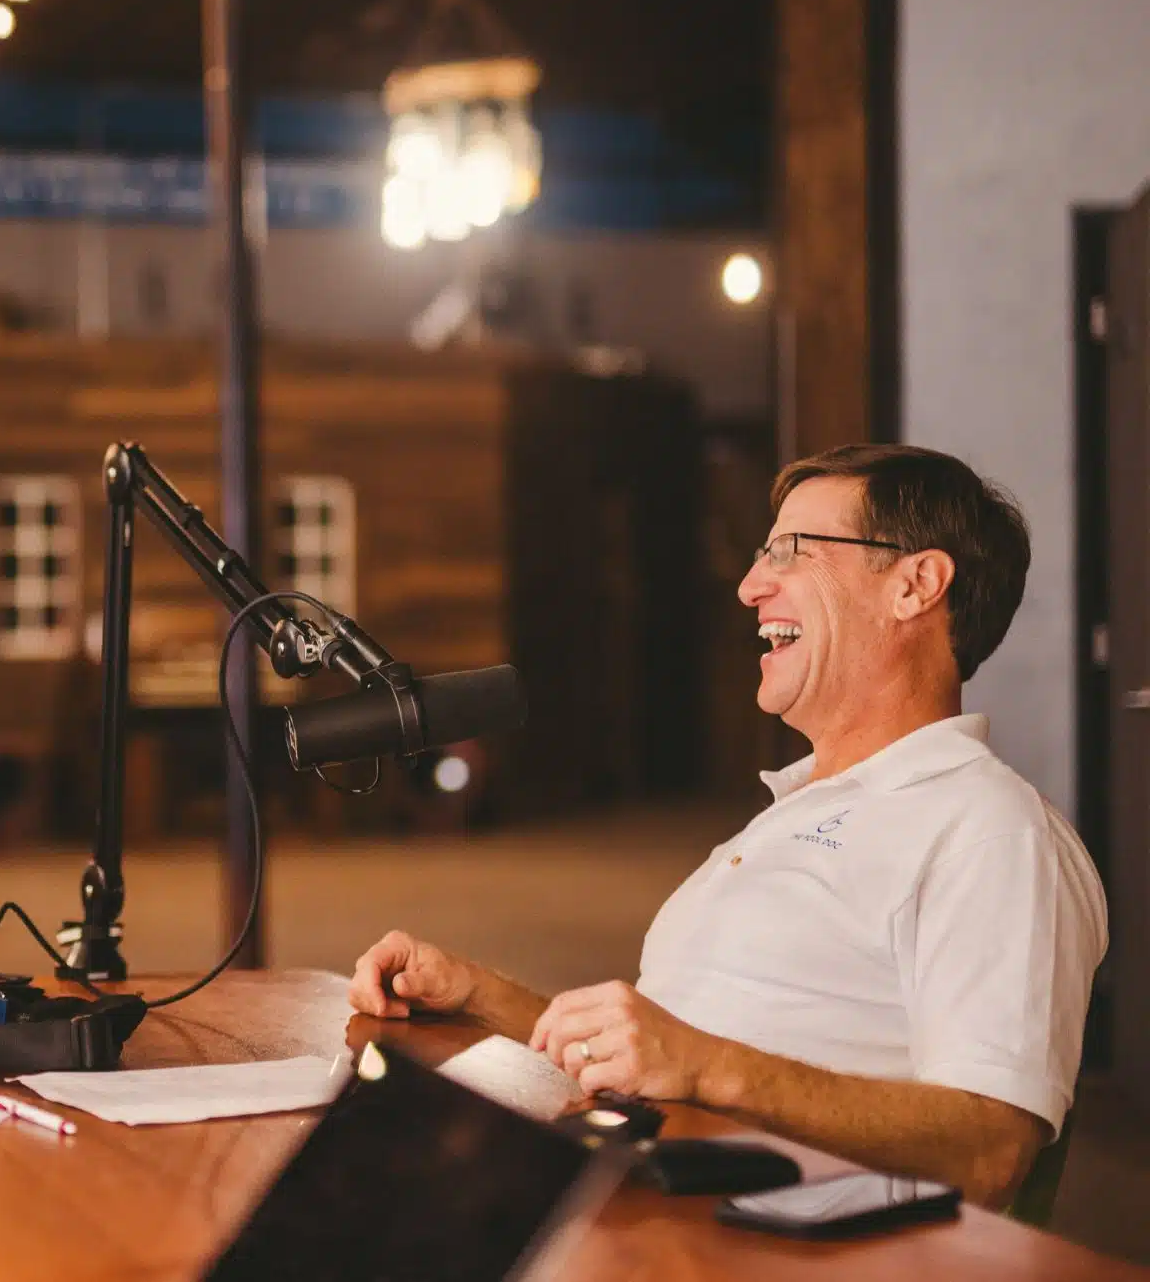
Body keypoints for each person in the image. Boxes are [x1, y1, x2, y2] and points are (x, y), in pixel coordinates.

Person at [350, 444, 1107, 1210]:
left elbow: (991, 1147)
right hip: (632, 1210)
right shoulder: (796, 810)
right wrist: (480, 995)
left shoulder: (991, 829)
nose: (750, 586)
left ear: (915, 584)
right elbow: (661, 1058)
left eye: (790, 552)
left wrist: (712, 1067)